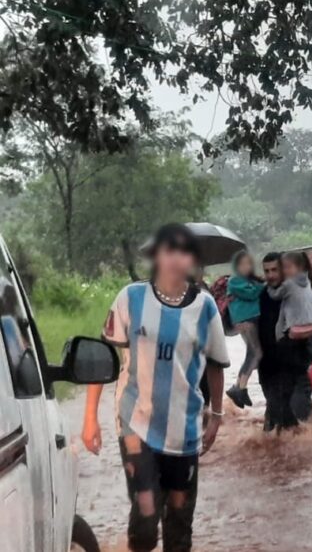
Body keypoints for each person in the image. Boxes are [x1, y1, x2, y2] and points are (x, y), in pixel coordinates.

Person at [81, 223, 230, 552]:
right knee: (146, 515)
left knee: (179, 523)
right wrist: (90, 417)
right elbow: (102, 358)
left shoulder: (205, 307)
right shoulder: (130, 298)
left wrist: (216, 414)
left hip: (185, 428)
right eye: (169, 250)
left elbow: (217, 364)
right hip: (136, 423)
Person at [258, 252, 312, 432]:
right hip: (268, 368)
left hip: (295, 367)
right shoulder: (261, 295)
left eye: (275, 269)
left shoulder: (298, 292)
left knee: (296, 416)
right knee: (274, 418)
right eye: (267, 271)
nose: (271, 275)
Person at [225, 250, 265, 409]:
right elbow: (251, 293)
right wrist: (260, 286)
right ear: (236, 266)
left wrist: (258, 285)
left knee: (252, 353)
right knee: (256, 352)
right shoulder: (234, 281)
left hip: (252, 319)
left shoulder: (249, 280)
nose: (246, 267)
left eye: (248, 263)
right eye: (242, 264)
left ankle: (238, 387)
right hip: (245, 320)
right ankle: (241, 387)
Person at [267, 251, 312, 341]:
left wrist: (269, 287)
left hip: (296, 327)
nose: (284, 271)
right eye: (283, 268)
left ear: (299, 268)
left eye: (288, 267)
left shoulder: (288, 284)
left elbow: (275, 295)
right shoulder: (307, 281)